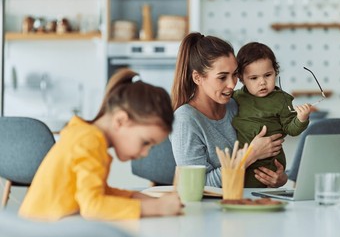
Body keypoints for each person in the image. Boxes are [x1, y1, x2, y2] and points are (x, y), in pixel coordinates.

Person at [19, 68, 183, 221]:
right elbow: (93, 206)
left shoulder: (85, 134)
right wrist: (155, 208)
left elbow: (100, 192)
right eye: (146, 142)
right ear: (120, 121)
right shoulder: (90, 141)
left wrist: (141, 198)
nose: (146, 152)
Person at [170, 32, 287, 188]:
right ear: (198, 78)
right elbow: (197, 185)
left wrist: (279, 179)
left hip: (250, 200)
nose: (232, 84)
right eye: (222, 77)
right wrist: (249, 155)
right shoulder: (185, 120)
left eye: (235, 75)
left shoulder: (235, 105)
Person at [232, 42, 312, 187]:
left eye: (268, 75)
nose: (262, 82)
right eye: (254, 78)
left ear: (276, 72)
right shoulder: (235, 98)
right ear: (241, 78)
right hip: (242, 162)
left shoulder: (282, 99)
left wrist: (301, 118)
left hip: (269, 164)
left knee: (260, 191)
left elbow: (291, 129)